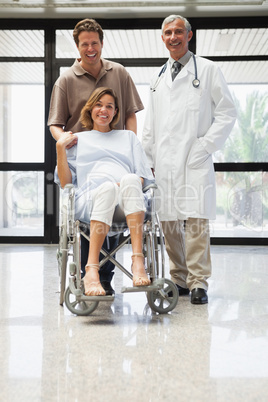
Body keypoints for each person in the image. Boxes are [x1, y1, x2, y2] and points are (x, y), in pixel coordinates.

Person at [142, 15, 236, 304]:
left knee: (195, 224)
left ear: (189, 35)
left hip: (194, 159)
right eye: (168, 32)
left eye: (179, 31)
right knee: (169, 222)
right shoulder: (157, 77)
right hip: (164, 162)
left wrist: (205, 146)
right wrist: (148, 155)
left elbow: (227, 112)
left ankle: (198, 283)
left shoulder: (207, 70)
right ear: (163, 38)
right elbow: (151, 122)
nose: (173, 37)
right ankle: (179, 278)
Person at [48, 18, 144, 295]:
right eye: (84, 44)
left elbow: (130, 115)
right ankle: (91, 272)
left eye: (95, 43)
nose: (91, 48)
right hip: (82, 154)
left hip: (118, 154)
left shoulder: (120, 73)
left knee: (125, 181)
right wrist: (64, 144)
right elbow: (56, 123)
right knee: (101, 191)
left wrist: (129, 144)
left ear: (102, 44)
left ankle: (107, 274)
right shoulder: (66, 79)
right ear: (77, 47)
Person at [55, 87, 153, 296]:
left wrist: (123, 185)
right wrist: (60, 149)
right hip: (90, 198)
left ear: (116, 112)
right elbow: (66, 184)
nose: (103, 110)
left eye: (109, 106)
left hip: (127, 197)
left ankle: (138, 260)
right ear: (90, 109)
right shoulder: (78, 140)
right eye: (98, 105)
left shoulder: (128, 137)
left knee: (130, 179)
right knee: (107, 188)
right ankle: (91, 270)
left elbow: (143, 177)